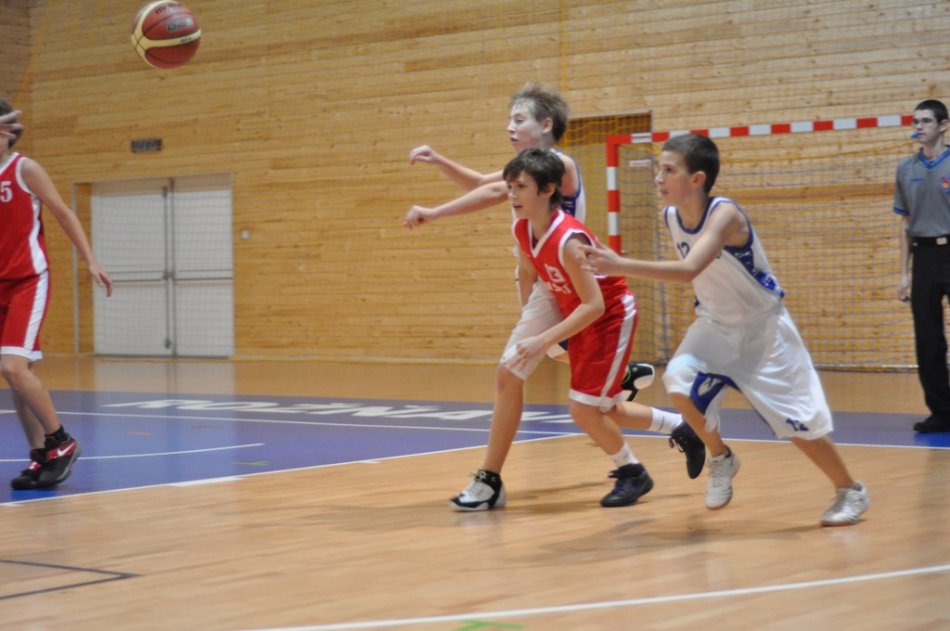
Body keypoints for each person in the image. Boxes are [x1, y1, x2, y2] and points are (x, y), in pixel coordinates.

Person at [405, 85, 692, 511]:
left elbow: (489, 191)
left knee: (527, 376)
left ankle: (491, 479)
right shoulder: (523, 178)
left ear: (545, 125)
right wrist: (440, 162)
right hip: (546, 279)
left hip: (572, 282)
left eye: (518, 119)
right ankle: (631, 389)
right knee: (578, 388)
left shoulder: (559, 165)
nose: (510, 126)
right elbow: (485, 183)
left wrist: (435, 212)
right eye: (509, 119)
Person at [580, 133, 870, 526]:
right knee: (678, 381)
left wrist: (619, 265)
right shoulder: (671, 216)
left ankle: (849, 490)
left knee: (798, 424)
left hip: (763, 330)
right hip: (714, 324)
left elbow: (688, 271)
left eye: (669, 170)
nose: (659, 178)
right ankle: (721, 457)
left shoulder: (725, 215)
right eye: (659, 169)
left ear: (697, 179)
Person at [484, 148, 704, 509]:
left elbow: (595, 304)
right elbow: (529, 272)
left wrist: (543, 339)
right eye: (509, 187)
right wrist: (530, 320)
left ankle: (633, 471)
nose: (512, 195)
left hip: (609, 316)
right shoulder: (522, 229)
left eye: (520, 187)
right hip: (579, 314)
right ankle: (681, 427)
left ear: (548, 190)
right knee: (605, 408)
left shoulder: (570, 241)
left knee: (583, 409)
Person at [0, 98, 113, 490]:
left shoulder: (24, 169)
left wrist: (91, 261)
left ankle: (60, 442)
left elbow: (64, 213)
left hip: (28, 281)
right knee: (17, 376)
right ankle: (39, 457)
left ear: (7, 132)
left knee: (13, 368)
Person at [894, 99, 950, 434]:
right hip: (925, 257)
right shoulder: (906, 169)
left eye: (926, 121)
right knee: (928, 339)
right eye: (915, 121)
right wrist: (904, 273)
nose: (919, 127)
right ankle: (942, 411)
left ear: (943, 125)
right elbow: (905, 223)